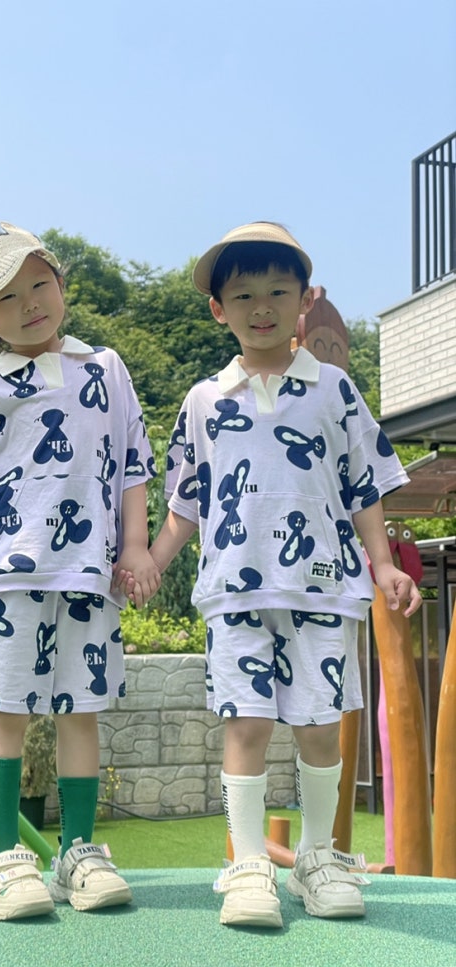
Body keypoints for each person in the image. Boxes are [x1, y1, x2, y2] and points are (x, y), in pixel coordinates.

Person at [128, 221, 422, 928]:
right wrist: (149, 559)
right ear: (217, 309)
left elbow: (363, 485)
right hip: (235, 590)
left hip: (324, 588)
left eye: (278, 292)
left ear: (305, 300)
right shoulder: (204, 400)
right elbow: (185, 504)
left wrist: (383, 563)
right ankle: (250, 864)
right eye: (244, 295)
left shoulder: (335, 391)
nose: (261, 307)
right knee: (247, 724)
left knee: (319, 727)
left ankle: (318, 858)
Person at [0, 222, 160, 921]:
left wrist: (135, 545)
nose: (30, 303)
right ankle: (4, 858)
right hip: (4, 573)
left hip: (86, 571)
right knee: (5, 710)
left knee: (81, 713)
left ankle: (78, 853)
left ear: (62, 284)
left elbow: (133, 460)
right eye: (6, 297)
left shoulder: (105, 368)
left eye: (39, 283)